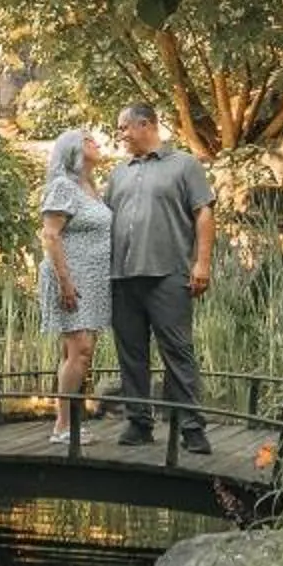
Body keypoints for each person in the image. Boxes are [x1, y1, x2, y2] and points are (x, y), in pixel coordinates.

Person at [102, 101, 214, 453]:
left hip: (168, 274)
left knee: (178, 352)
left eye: (123, 127)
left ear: (146, 124)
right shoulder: (119, 173)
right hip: (122, 277)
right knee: (131, 353)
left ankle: (192, 428)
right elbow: (105, 220)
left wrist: (202, 264)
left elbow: (204, 213)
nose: (120, 135)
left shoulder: (184, 165)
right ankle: (138, 423)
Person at [36, 127, 113, 442]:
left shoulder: (90, 187)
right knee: (80, 350)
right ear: (72, 150)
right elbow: (51, 235)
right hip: (70, 278)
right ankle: (63, 427)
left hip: (92, 280)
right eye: (87, 140)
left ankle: (67, 423)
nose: (95, 142)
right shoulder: (63, 186)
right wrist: (65, 282)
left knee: (78, 352)